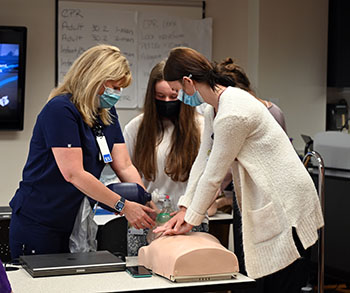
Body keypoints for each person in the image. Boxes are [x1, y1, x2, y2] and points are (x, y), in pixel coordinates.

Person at [154, 47, 324, 292]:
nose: (179, 97)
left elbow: (213, 175)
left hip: (287, 200)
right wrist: (184, 206)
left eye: (178, 91)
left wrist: (190, 220)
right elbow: (203, 160)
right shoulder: (216, 106)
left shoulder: (232, 113)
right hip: (272, 194)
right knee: (263, 278)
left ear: (189, 82)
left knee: (280, 281)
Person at [9, 44, 155, 260]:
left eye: (120, 88)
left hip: (74, 218)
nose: (117, 93)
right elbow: (73, 173)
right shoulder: (60, 110)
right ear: (93, 78)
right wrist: (123, 206)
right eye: (113, 86)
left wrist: (146, 201)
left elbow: (124, 165)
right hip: (40, 220)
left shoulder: (105, 112)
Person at [123, 60, 208, 256]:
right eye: (160, 96)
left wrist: (188, 210)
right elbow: (126, 171)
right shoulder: (136, 128)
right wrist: (144, 202)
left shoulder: (201, 127)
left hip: (188, 221)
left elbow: (209, 178)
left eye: (173, 96)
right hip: (146, 221)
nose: (168, 102)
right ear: (151, 97)